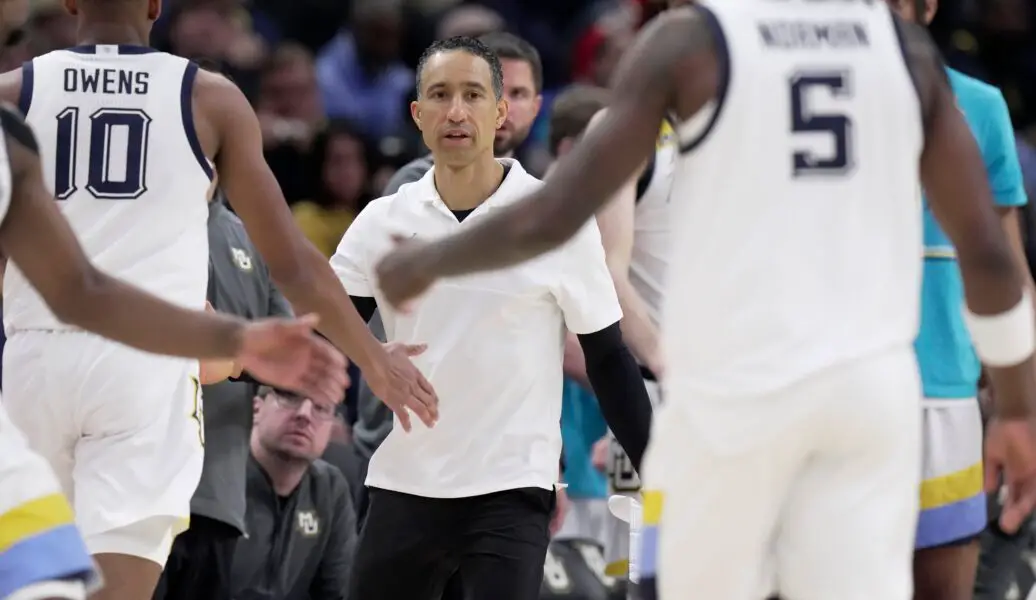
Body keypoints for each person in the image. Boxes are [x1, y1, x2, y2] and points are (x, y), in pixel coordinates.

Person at [374, 3, 1036, 600]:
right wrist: (1016, 408)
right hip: (867, 398)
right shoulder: (904, 51)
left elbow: (551, 214)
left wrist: (429, 260)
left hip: (736, 393)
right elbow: (990, 255)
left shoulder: (692, 43)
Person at [0, 1, 438, 599]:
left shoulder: (10, 95)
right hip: (147, 363)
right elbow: (292, 262)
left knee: (31, 586)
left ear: (70, 2)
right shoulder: (207, 97)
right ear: (157, 4)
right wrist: (374, 359)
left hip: (32, 361)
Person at [333, 36, 653, 600]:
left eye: (473, 94)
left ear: (499, 111)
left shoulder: (555, 223)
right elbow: (324, 330)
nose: (456, 111)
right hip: (404, 483)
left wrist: (657, 463)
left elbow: (607, 356)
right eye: (440, 95)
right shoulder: (381, 219)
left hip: (510, 491)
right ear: (418, 114)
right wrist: (363, 354)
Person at [349, 29, 547, 530]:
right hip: (407, 448)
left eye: (517, 95)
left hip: (504, 469)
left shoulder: (543, 200)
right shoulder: (407, 195)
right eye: (446, 93)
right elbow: (344, 313)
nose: (462, 108)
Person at [883, 1, 1033, 599]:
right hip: (832, 384)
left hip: (945, 393)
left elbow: (1008, 263)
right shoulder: (786, 100)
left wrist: (1019, 395)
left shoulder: (980, 105)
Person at [151, 190, 294, 600]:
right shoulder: (139, 223)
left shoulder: (254, 238)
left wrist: (232, 359)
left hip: (218, 492)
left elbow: (290, 364)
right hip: (140, 481)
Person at [230, 386, 356, 600]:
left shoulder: (330, 489)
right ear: (256, 408)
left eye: (321, 407)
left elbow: (339, 592)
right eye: (290, 397)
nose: (304, 414)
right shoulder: (219, 476)